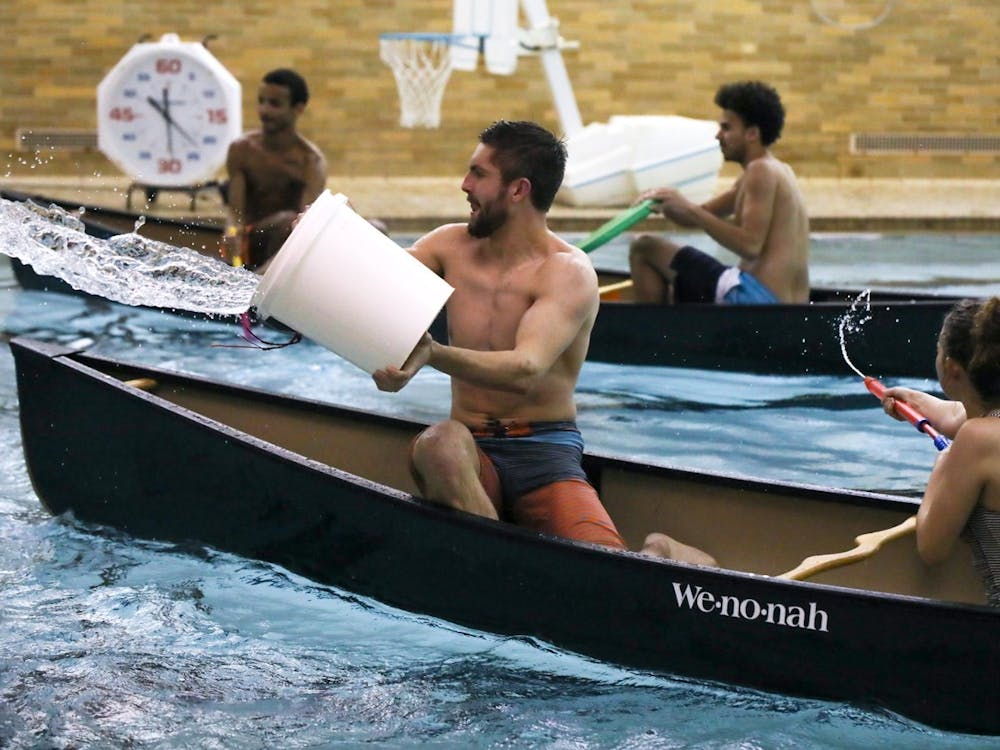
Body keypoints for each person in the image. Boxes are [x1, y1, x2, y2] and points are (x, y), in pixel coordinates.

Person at [372, 120, 716, 566]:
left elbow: (526, 367)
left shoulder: (567, 272)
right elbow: (372, 274)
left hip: (544, 451)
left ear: (518, 190)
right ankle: (505, 572)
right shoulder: (447, 246)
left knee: (610, 575)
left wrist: (433, 354)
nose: (464, 185)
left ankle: (663, 551)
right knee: (439, 442)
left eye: (478, 174)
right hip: (471, 450)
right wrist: (321, 237)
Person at [628, 80, 810, 305]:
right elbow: (704, 213)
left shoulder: (760, 171)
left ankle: (650, 337)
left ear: (752, 133)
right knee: (679, 280)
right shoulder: (777, 170)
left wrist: (690, 209)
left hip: (757, 299)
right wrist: (666, 203)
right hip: (785, 304)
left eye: (726, 128)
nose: (718, 136)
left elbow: (750, 245)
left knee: (644, 247)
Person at [880, 297, 1000, 606]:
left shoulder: (976, 440)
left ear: (950, 367)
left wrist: (943, 465)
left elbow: (932, 548)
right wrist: (915, 402)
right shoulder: (983, 429)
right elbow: (958, 415)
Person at [222, 68, 327, 270]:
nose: (264, 110)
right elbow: (235, 212)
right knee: (285, 220)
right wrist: (232, 232)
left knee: (375, 227)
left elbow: (304, 229)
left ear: (298, 109)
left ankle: (261, 277)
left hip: (291, 249)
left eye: (275, 104)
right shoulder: (241, 150)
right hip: (250, 244)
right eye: (261, 101)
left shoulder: (310, 162)